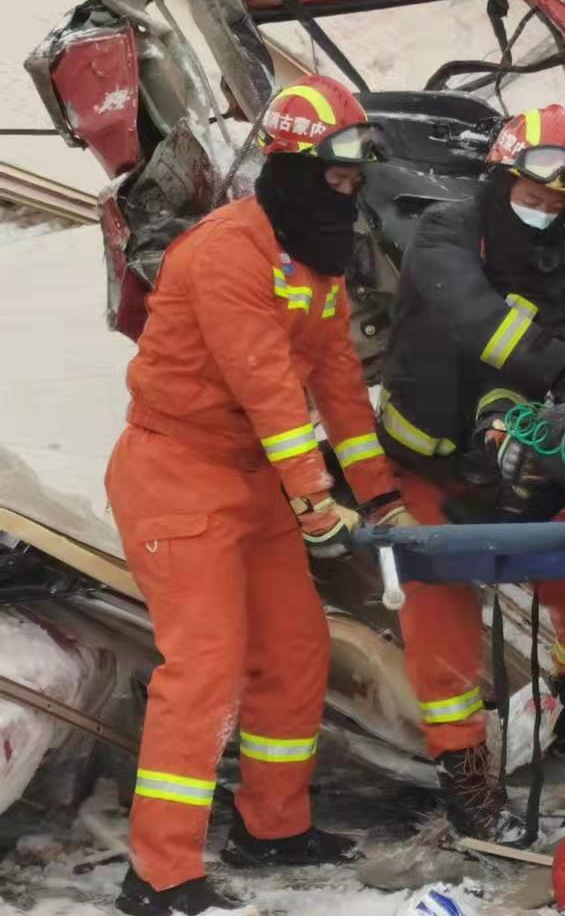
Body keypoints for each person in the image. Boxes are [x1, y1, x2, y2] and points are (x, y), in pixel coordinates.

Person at [105, 75, 417, 915]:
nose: (348, 194)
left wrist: (379, 495)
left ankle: (273, 827)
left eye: (357, 181)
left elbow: (340, 386)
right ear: (294, 166)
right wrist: (316, 500)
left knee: (293, 650)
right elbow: (269, 388)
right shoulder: (221, 254)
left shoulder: (315, 266)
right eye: (338, 177)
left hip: (255, 482)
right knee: (202, 670)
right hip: (178, 473)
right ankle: (159, 876)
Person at [376, 104, 565, 840]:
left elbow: (540, 354)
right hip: (425, 462)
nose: (546, 213)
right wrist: (556, 365)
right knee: (444, 630)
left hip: (506, 458)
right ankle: (467, 786)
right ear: (498, 178)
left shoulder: (557, 266)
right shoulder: (444, 232)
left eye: (559, 204)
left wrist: (528, 416)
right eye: (534, 195)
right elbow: (475, 317)